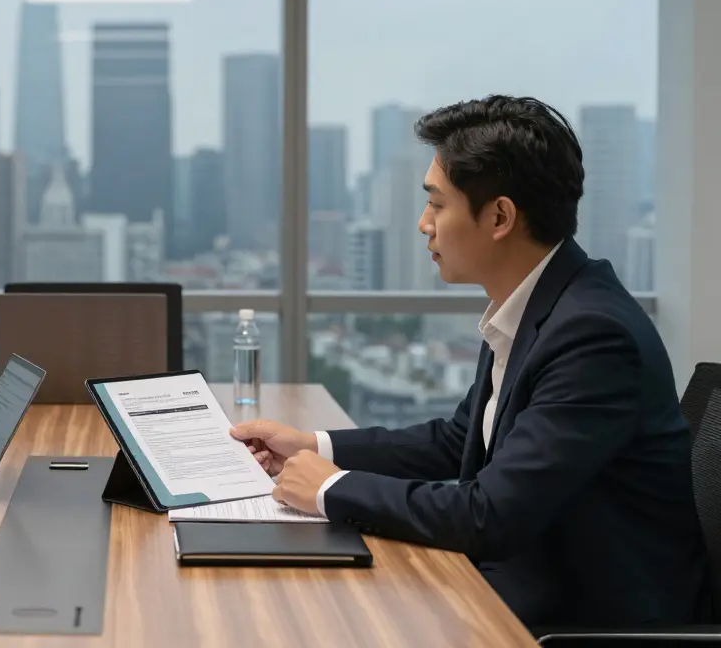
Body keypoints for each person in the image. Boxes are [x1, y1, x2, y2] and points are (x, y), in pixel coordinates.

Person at [233, 95, 710, 631]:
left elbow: (490, 515)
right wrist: (313, 446)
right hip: (513, 594)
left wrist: (330, 487)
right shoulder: (536, 304)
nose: (423, 224)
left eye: (437, 204)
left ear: (500, 216)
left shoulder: (593, 335)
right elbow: (459, 440)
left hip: (579, 625)